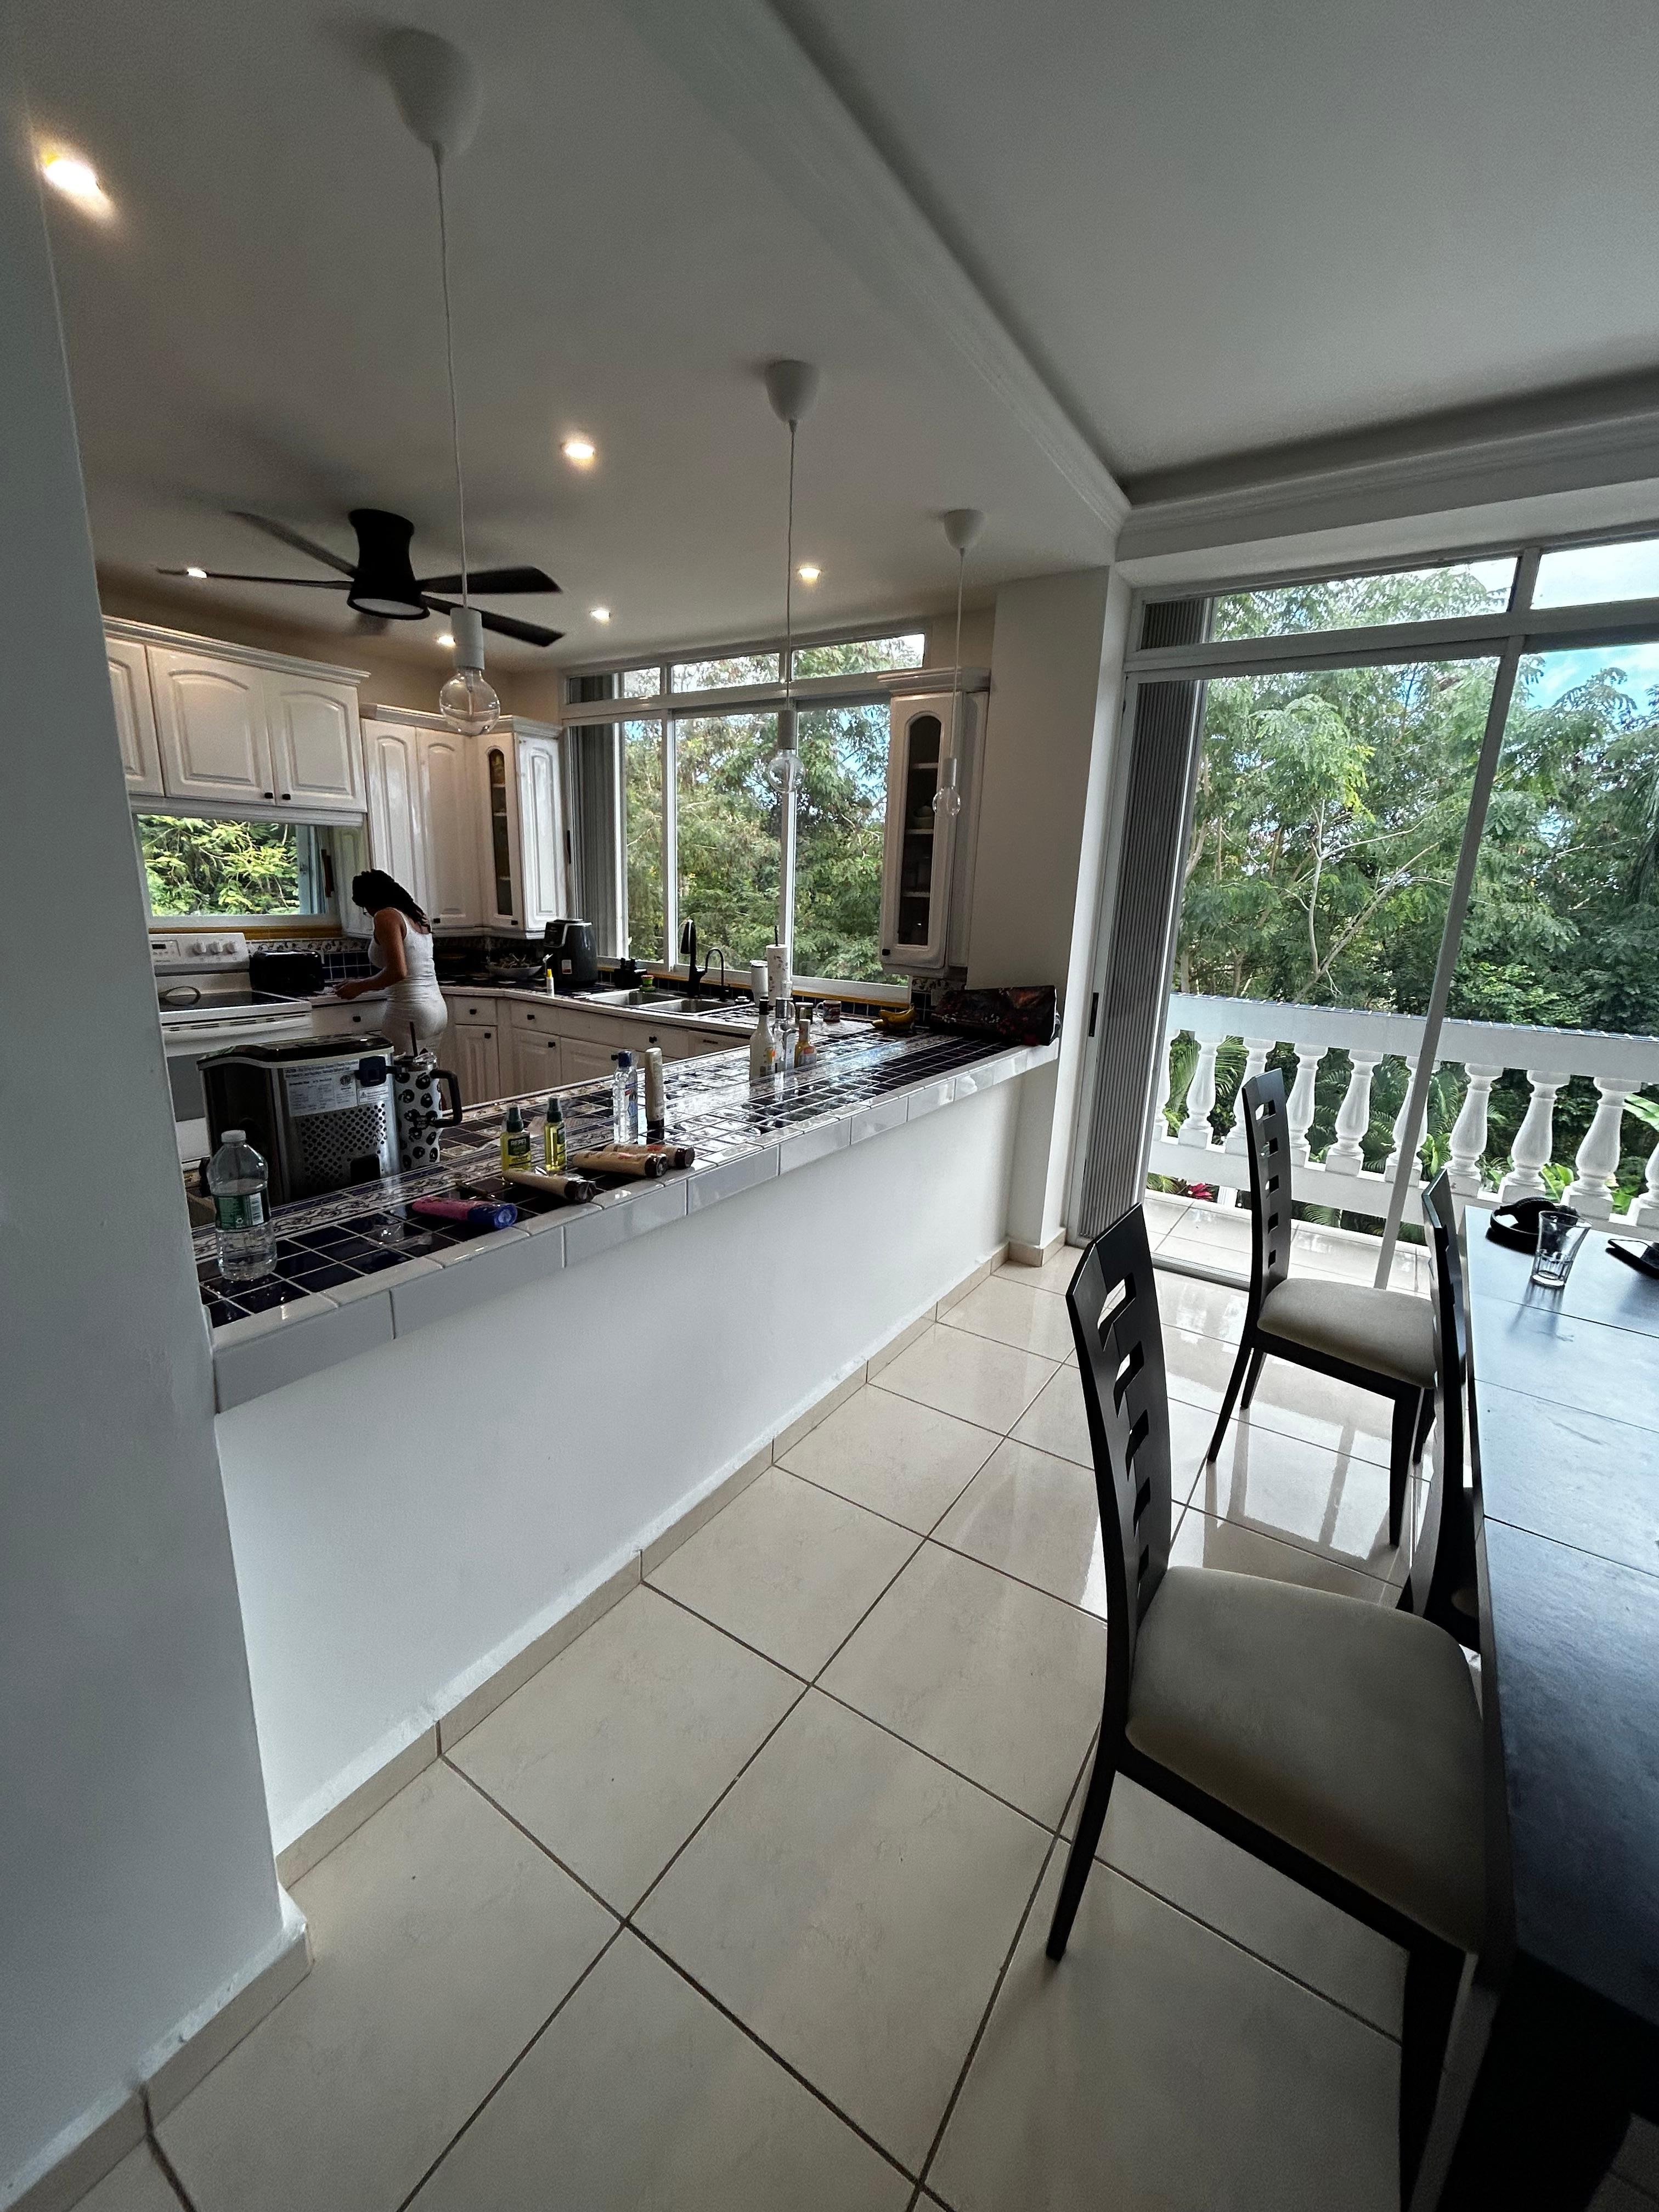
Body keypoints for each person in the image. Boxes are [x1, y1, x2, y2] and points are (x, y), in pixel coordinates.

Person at [333, 870, 448, 1055]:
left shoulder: (386, 917)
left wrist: (360, 986)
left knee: (398, 1080)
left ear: (373, 899)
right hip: (437, 1009)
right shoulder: (418, 914)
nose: (369, 913)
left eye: (365, 906)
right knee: (426, 1079)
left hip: (410, 1011)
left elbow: (398, 972)